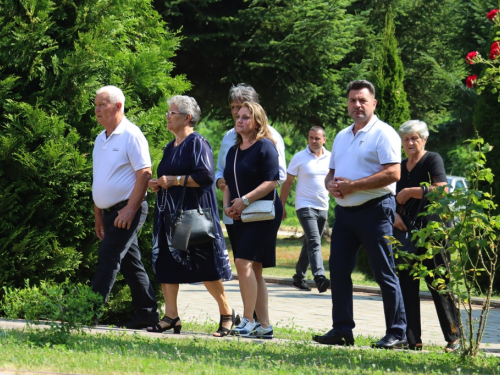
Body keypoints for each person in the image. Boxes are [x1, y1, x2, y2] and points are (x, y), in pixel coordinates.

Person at [313, 80, 407, 348]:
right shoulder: (342, 136)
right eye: (353, 100)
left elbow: (393, 173)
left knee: (384, 272)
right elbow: (331, 173)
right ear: (347, 104)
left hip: (376, 211)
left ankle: (397, 333)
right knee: (339, 271)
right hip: (345, 214)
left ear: (373, 103)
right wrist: (330, 185)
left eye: (363, 100)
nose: (357, 105)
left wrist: (354, 186)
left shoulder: (384, 133)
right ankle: (342, 329)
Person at [147, 95, 237, 337]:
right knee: (166, 263)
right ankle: (171, 316)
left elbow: (206, 176)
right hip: (168, 214)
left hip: (192, 215)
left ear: (187, 117)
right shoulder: (169, 147)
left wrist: (174, 180)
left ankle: (227, 313)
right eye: (167, 113)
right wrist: (158, 183)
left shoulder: (198, 143)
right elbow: (169, 177)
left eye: (171, 113)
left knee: (204, 264)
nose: (167, 116)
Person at [91, 85, 159, 329]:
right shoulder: (100, 139)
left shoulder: (131, 134)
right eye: (96, 105)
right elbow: (98, 179)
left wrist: (131, 208)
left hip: (126, 210)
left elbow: (145, 172)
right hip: (109, 213)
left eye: (102, 104)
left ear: (118, 106)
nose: (97, 109)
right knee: (131, 264)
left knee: (108, 256)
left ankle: (88, 311)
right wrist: (98, 215)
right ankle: (148, 314)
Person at [395, 120, 461, 352]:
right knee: (407, 284)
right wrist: (395, 215)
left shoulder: (433, 159)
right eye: (406, 139)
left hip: (432, 231)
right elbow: (391, 196)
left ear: (424, 140)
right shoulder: (401, 166)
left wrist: (413, 192)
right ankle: (413, 340)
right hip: (406, 232)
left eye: (415, 138)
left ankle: (455, 338)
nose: (410, 142)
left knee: (438, 283)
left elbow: (442, 189)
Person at [223, 101, 283, 339]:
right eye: (238, 116)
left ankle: (248, 320)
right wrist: (229, 206)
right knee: (254, 269)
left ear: (257, 121)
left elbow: (272, 181)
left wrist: (244, 200)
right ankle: (265, 326)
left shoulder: (266, 146)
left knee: (243, 262)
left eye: (246, 117)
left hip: (263, 213)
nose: (240, 120)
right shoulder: (233, 150)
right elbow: (228, 181)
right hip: (239, 213)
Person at [215, 84, 286, 257]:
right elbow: (220, 170)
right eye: (233, 107)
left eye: (239, 107)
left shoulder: (270, 137)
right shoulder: (228, 137)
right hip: (233, 211)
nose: (235, 112)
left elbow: (279, 175)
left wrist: (246, 196)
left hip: (258, 210)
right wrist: (221, 182)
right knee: (243, 264)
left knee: (248, 263)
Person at [280, 126, 331, 293]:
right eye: (311, 138)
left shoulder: (331, 158)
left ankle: (298, 278)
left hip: (323, 205)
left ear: (324, 139)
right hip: (304, 205)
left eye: (317, 138)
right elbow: (287, 182)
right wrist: (281, 205)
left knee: (309, 242)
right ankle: (320, 277)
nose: (314, 141)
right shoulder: (299, 157)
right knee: (315, 241)